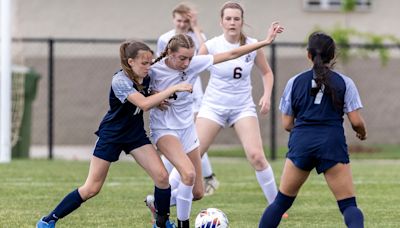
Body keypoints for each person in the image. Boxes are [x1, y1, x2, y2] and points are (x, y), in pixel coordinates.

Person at [36, 40, 193, 228]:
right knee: (92, 188)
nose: (148, 67)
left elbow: (148, 95)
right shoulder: (120, 80)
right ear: (130, 62)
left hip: (134, 135)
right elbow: (142, 104)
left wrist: (156, 96)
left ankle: (162, 222)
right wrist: (173, 88)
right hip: (112, 135)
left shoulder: (146, 76)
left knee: (161, 177)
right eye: (144, 63)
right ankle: (48, 220)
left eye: (150, 62)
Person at [147, 22, 283, 228]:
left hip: (187, 130)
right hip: (165, 130)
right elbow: (136, 88)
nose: (187, 63)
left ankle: (159, 204)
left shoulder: (193, 64)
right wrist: (154, 95)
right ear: (169, 53)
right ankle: (178, 222)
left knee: (198, 192)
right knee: (188, 173)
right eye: (182, 58)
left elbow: (231, 54)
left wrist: (264, 42)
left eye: (190, 58)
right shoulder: (155, 71)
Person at [258, 32, 367, 228]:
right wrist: (362, 132)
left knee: (281, 202)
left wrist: (304, 133)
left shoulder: (295, 82)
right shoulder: (345, 82)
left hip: (302, 142)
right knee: (349, 205)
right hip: (331, 143)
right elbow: (356, 121)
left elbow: (286, 124)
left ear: (308, 55)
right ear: (332, 55)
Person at [195, 1, 282, 209]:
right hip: (213, 107)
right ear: (221, 21)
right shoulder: (212, 46)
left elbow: (267, 72)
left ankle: (277, 207)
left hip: (242, 107)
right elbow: (191, 71)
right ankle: (164, 200)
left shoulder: (252, 45)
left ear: (242, 21)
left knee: (257, 156)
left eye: (236, 18)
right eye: (228, 18)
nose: (232, 22)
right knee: (192, 156)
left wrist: (267, 95)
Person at [156, 2, 220, 196]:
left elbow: (205, 51)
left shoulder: (195, 37)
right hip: (173, 96)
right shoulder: (165, 39)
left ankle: (200, 177)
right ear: (173, 19)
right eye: (179, 20)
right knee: (184, 140)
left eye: (186, 20)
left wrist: (196, 27)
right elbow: (160, 66)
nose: (183, 24)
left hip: (194, 94)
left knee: (191, 139)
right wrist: (159, 95)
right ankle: (173, 178)